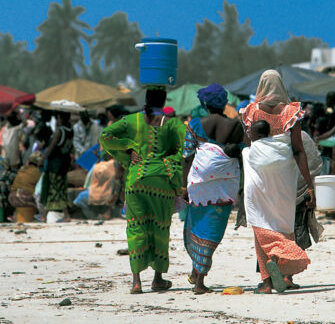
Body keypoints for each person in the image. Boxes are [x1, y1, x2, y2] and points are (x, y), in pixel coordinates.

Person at [100, 86, 186, 294]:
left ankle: (136, 282)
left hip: (136, 181)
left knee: (136, 228)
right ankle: (157, 279)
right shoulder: (173, 123)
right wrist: (172, 160)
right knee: (160, 228)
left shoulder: (131, 120)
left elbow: (105, 136)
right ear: (164, 102)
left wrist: (128, 150)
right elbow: (187, 145)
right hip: (162, 182)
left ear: (146, 100)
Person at [240, 70, 315, 294]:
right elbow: (298, 150)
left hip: (258, 174)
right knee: (284, 220)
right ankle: (287, 275)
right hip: (284, 175)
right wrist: (309, 184)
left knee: (260, 221)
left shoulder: (251, 111)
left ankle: (266, 282)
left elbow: (248, 143)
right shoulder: (291, 111)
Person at [182, 83, 244, 294]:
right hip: (225, 188)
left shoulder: (196, 124)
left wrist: (184, 185)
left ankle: (197, 278)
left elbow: (187, 156)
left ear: (205, 104)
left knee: (196, 227)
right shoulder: (236, 126)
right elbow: (242, 153)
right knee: (212, 231)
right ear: (225, 103)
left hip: (199, 188)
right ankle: (198, 277)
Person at [39, 111, 73, 222]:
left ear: (60, 118)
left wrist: (43, 159)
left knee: (51, 188)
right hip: (64, 164)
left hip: (55, 164)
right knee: (61, 189)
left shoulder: (60, 131)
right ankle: (64, 214)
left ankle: (45, 214)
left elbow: (51, 147)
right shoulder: (71, 130)